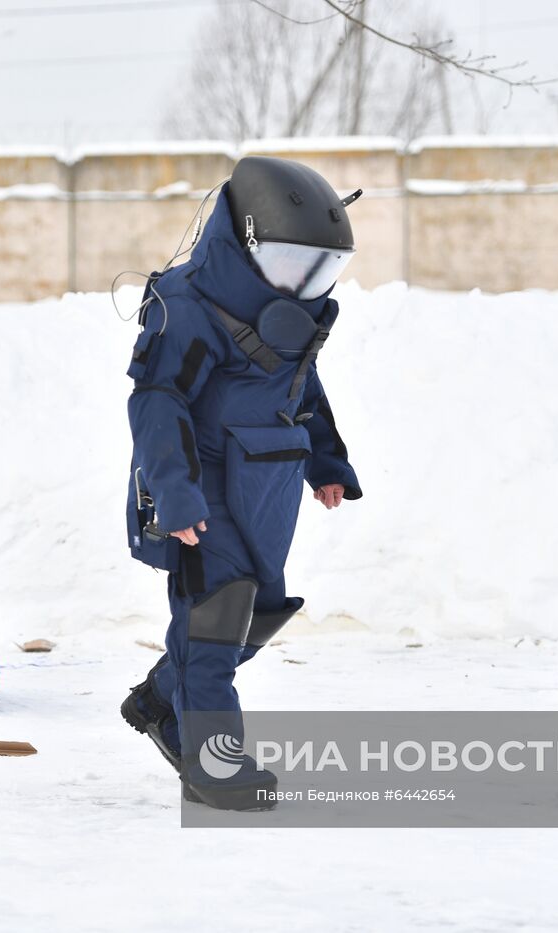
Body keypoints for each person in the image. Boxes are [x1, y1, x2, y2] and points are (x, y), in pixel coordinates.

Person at [120, 156, 362, 810]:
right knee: (215, 619)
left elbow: (299, 390)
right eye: (291, 263)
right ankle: (214, 765)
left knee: (258, 617)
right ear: (246, 245)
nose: (303, 283)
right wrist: (174, 493)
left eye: (319, 269)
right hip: (202, 488)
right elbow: (156, 401)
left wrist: (327, 461)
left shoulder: (293, 319)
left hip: (267, 489)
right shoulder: (191, 305)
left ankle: (159, 698)